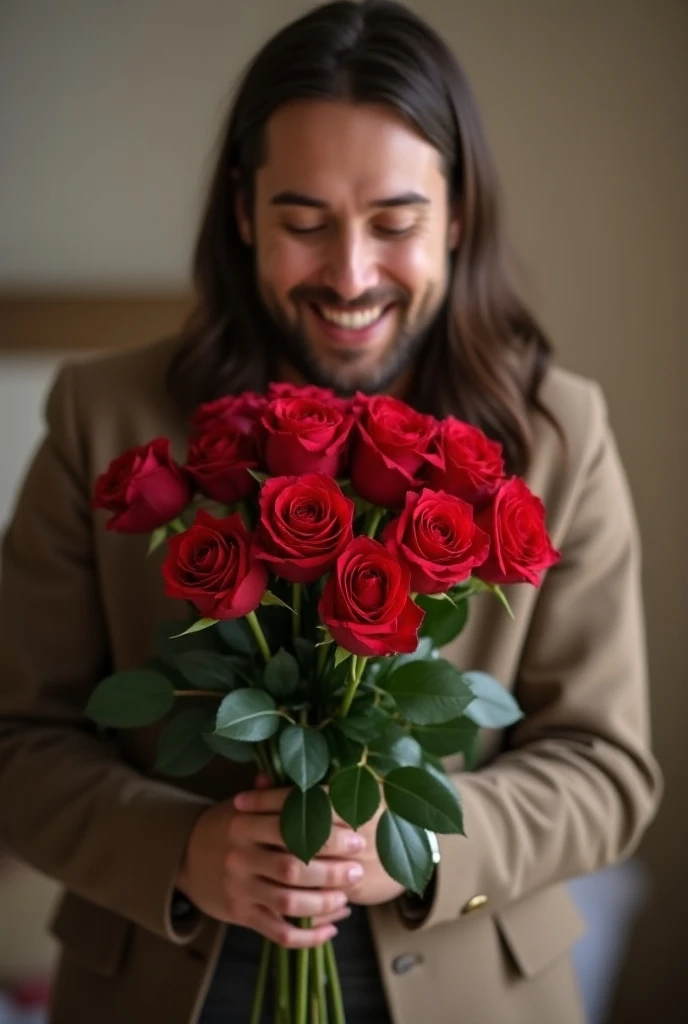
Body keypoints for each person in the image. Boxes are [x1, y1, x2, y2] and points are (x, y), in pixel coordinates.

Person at [0, 2, 662, 1022]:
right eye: (304, 224)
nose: (350, 276)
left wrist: (421, 840)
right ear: (241, 212)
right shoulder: (103, 416)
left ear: (456, 214)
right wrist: (179, 848)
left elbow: (609, 769)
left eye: (393, 224)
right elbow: (17, 739)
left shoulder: (560, 432)